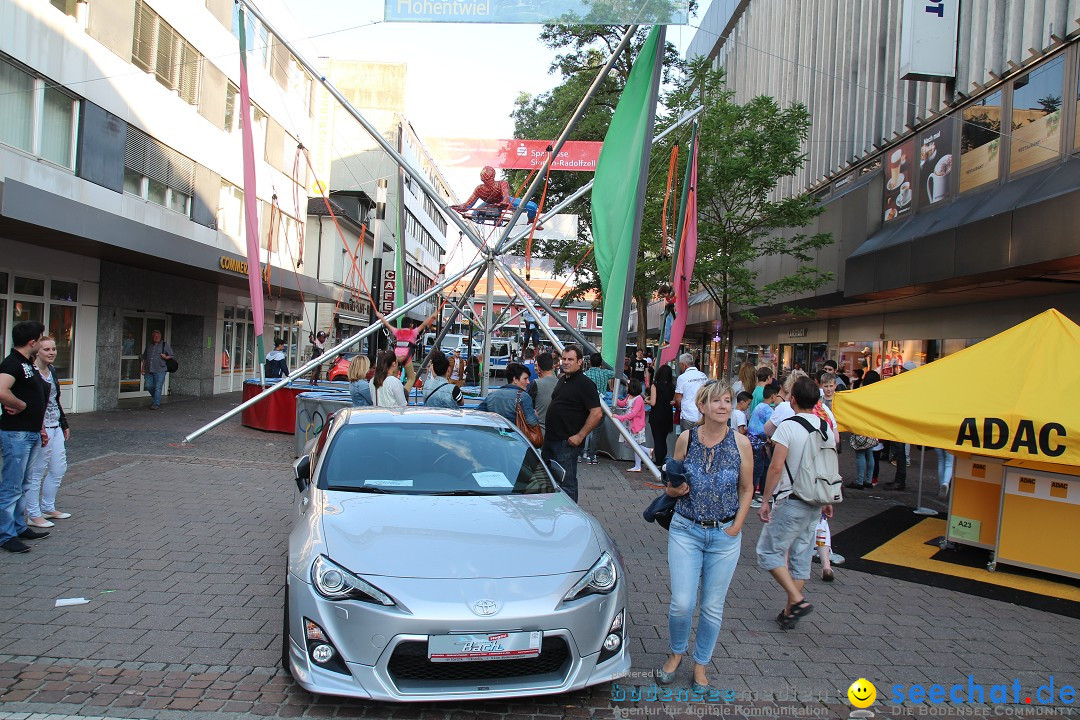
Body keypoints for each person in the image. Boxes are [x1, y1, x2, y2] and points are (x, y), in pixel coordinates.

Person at [657, 380, 753, 694]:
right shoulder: (686, 438)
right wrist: (675, 489)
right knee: (682, 603)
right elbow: (672, 483)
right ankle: (675, 654)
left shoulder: (741, 443)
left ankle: (701, 664)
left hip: (724, 535)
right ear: (702, 406)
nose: (724, 406)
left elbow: (747, 488)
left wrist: (737, 526)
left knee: (712, 606)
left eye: (728, 400)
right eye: (716, 401)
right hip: (686, 529)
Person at [757, 376, 837, 629]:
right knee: (801, 558)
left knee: (768, 552)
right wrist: (827, 498)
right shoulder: (825, 428)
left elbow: (776, 466)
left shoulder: (788, 427)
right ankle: (789, 611)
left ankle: (797, 600)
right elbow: (830, 465)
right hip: (816, 499)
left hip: (791, 499)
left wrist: (765, 499)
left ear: (792, 399)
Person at [0, 321, 50, 553]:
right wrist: (19, 405)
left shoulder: (26, 364)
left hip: (29, 432)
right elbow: (1, 389)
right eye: (40, 339)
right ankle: (5, 534)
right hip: (16, 433)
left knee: (23, 483)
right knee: (11, 486)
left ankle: (19, 527)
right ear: (32, 342)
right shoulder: (12, 364)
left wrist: (38, 425)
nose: (42, 343)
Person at [542, 345, 603, 502]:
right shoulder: (563, 379)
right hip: (551, 439)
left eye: (571, 359)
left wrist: (580, 436)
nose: (566, 362)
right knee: (548, 481)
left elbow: (596, 413)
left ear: (580, 362)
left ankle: (569, 519)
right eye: (564, 359)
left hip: (566, 442)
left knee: (566, 484)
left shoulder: (585, 384)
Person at [25, 336, 70, 530]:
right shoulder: (32, 373)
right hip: (39, 427)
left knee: (59, 468)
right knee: (37, 471)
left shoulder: (51, 371)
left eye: (53, 348)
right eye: (46, 349)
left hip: (55, 425)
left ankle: (48, 507)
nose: (51, 352)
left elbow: (56, 400)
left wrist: (64, 422)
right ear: (37, 351)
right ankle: (33, 514)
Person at [451, 165, 542, 227]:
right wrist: (460, 207)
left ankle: (531, 221)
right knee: (474, 214)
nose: (487, 181)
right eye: (485, 179)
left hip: (504, 201)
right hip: (490, 204)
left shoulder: (502, 183)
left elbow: (506, 196)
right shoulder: (479, 189)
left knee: (532, 206)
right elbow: (468, 204)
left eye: (488, 178)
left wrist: (504, 202)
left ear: (493, 177)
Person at [378, 312, 436, 392]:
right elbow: (423, 324)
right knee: (411, 378)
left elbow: (387, 325)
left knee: (393, 377)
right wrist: (432, 316)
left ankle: (390, 391)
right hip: (406, 358)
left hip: (396, 358)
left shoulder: (397, 332)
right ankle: (405, 393)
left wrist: (381, 317)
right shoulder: (413, 332)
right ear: (411, 325)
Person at [747, 385, 782, 508]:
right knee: (757, 469)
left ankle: (760, 492)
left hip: (751, 441)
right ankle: (750, 496)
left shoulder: (758, 406)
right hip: (759, 443)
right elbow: (770, 427)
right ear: (773, 396)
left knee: (760, 467)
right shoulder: (769, 410)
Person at [582, 352, 614, 465]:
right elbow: (616, 373)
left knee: (585, 428)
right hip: (601, 405)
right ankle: (593, 455)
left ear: (590, 362)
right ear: (601, 363)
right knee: (597, 431)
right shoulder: (605, 373)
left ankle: (582, 453)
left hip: (587, 405)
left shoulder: (585, 375)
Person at [614, 379, 648, 472]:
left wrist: (620, 417)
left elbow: (633, 414)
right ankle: (641, 460)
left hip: (636, 425)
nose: (626, 388)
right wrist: (615, 399)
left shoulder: (638, 399)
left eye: (627, 386)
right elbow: (622, 404)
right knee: (632, 444)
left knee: (633, 444)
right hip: (630, 424)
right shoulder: (630, 396)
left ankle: (644, 456)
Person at [646, 364, 676, 462]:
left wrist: (647, 400)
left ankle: (658, 461)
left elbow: (653, 402)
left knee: (657, 439)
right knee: (663, 440)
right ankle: (662, 461)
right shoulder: (672, 386)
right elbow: (673, 401)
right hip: (667, 415)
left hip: (656, 415)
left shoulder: (655, 385)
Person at [674, 353, 708, 434]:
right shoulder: (703, 375)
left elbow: (678, 399)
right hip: (702, 414)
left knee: (687, 440)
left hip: (688, 414)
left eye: (680, 365)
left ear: (683, 364)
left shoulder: (682, 377)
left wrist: (680, 407)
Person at [140, 329, 173, 409]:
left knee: (158, 387)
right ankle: (156, 399)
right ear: (152, 337)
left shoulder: (165, 345)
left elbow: (171, 355)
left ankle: (156, 404)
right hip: (149, 370)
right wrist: (142, 368)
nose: (156, 337)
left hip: (160, 370)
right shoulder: (149, 345)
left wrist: (165, 357)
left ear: (160, 337)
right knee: (148, 386)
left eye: (158, 336)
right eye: (154, 336)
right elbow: (145, 357)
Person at [528, 351, 557, 431]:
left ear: (539, 367)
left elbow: (528, 406)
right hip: (556, 430)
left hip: (540, 430)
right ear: (552, 366)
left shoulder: (536, 383)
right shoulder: (561, 383)